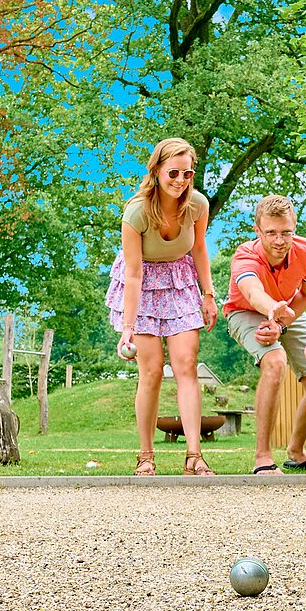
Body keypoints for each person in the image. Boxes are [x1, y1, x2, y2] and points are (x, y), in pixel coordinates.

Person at [106, 138, 218, 476]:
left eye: (188, 173)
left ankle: (194, 456)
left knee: (187, 363)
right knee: (152, 371)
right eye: (173, 172)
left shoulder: (198, 205)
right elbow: (134, 273)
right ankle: (145, 457)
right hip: (142, 284)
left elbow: (199, 249)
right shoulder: (136, 212)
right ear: (156, 171)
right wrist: (128, 327)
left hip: (180, 280)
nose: (180, 180)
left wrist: (208, 294)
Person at [223, 195, 306, 474]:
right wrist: (273, 312)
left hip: (290, 309)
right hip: (246, 311)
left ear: (295, 227)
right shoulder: (245, 255)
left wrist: (281, 321)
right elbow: (254, 293)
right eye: (271, 233)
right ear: (258, 231)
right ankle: (262, 457)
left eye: (286, 232)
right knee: (275, 362)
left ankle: (296, 449)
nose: (279, 240)